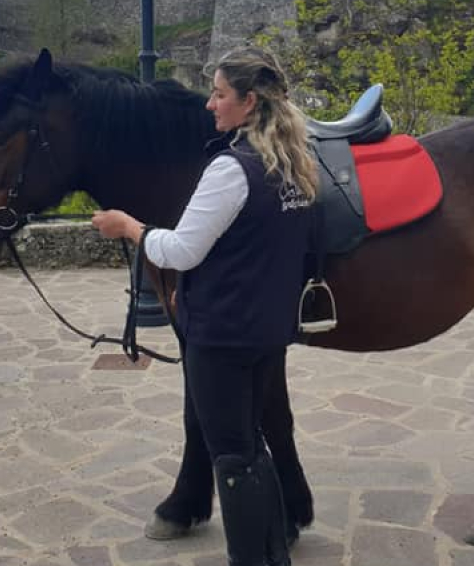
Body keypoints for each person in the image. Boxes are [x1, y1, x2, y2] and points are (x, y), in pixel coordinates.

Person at [92, 46, 317, 566]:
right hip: (266, 330)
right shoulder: (292, 166)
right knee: (254, 446)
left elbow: (181, 250)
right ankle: (272, 553)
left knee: (233, 459)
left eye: (219, 94)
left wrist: (127, 226)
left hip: (221, 337)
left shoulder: (230, 169)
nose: (210, 105)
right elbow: (256, 246)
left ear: (249, 101)